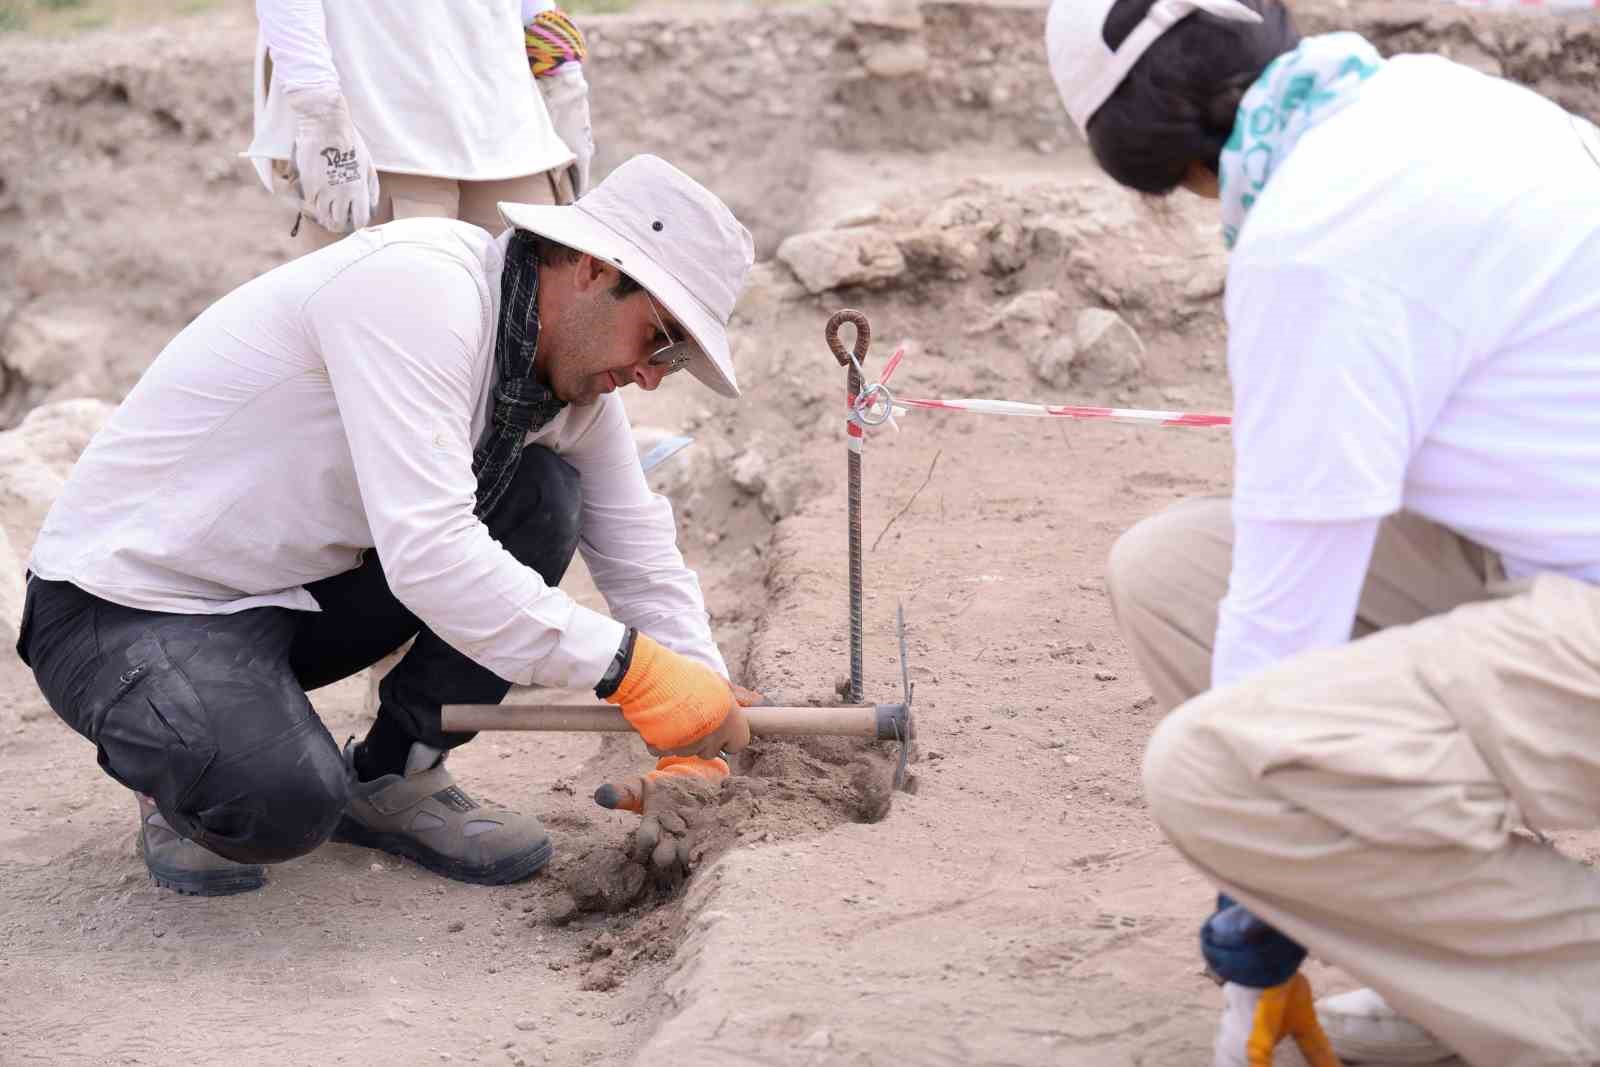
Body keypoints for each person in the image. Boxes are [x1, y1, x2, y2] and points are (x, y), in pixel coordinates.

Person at [1048, 0, 1600, 1063]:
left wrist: (1252, 942)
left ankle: (1568, 988)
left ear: (1142, 154)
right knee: (1172, 576)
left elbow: (1282, 624)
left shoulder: (1312, 235)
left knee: (1215, 769)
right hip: (1565, 560)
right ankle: (1473, 970)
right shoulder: (1422, 98)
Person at [15, 155, 756, 900]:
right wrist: (631, 669)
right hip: (127, 609)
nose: (652, 375)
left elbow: (640, 558)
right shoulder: (420, 292)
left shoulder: (566, 385)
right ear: (594, 269)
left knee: (543, 495)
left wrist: (699, 726)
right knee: (282, 800)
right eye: (659, 339)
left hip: (285, 598)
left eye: (675, 361)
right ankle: (175, 777)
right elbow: (430, 554)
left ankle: (397, 775)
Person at [244, 0, 595, 252]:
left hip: (515, 140)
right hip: (381, 138)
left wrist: (562, 75)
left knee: (524, 326)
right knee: (393, 326)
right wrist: (319, 109)